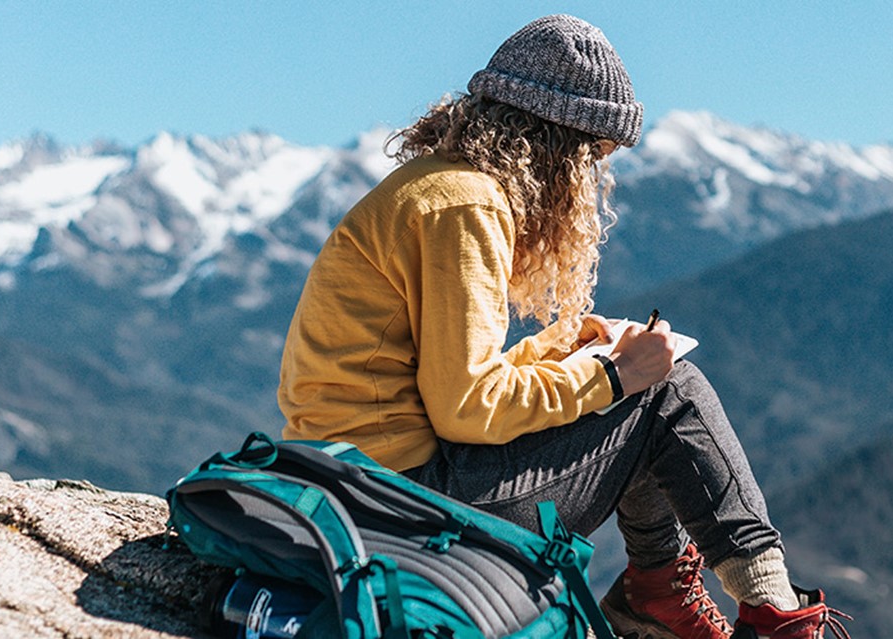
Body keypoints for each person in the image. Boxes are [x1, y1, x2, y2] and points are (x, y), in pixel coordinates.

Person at [278, 14, 849, 639]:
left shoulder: (432, 189)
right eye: (594, 159)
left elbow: (437, 381)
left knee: (645, 391)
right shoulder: (466, 207)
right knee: (668, 392)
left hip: (355, 486)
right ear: (559, 149)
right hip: (403, 506)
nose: (592, 181)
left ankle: (661, 591)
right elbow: (465, 408)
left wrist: (557, 351)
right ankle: (773, 614)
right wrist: (612, 376)